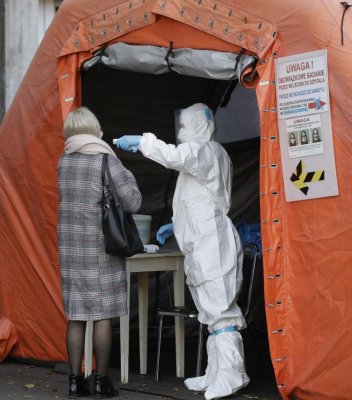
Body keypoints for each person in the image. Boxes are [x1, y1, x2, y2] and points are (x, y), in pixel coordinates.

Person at [115, 103, 249, 400]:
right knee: (209, 310)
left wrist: (145, 142)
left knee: (220, 312)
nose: (180, 132)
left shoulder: (208, 151)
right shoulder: (201, 157)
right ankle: (216, 373)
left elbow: (177, 157)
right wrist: (175, 226)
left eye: (185, 125)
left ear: (199, 125)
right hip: (201, 244)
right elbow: (195, 197)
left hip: (213, 244)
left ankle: (232, 374)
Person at [57, 107, 141, 398]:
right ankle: (101, 380)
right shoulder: (106, 160)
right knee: (103, 314)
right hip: (101, 249)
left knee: (77, 315)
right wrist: (125, 169)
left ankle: (74, 380)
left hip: (71, 249)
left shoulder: (63, 162)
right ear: (95, 129)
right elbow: (133, 202)